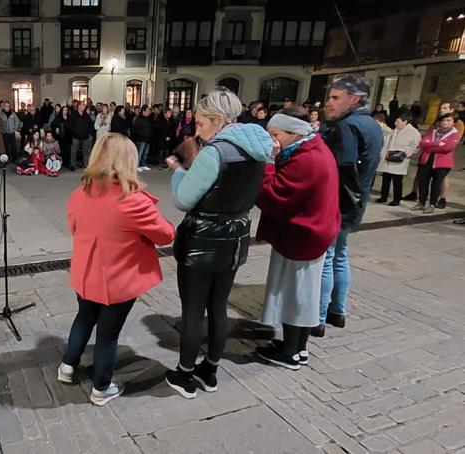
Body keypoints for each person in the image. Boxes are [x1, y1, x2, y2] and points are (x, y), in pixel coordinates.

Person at [164, 88, 272, 398]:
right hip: (235, 237)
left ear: (219, 120)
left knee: (194, 310)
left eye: (200, 123)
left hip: (203, 239)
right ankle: (209, 371)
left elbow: (183, 199)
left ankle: (184, 375)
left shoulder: (216, 152)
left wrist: (178, 171)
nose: (196, 130)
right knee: (218, 307)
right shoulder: (257, 148)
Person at [57, 133, 175, 406]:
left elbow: (74, 228)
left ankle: (67, 367)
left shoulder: (79, 193)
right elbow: (166, 235)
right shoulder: (132, 200)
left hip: (85, 275)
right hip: (117, 281)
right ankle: (101, 388)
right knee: (108, 336)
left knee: (83, 318)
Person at [255, 113, 340, 370]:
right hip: (311, 232)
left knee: (296, 295)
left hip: (304, 235)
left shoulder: (307, 160)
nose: (273, 140)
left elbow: (272, 194)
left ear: (294, 134)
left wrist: (268, 161)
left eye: (276, 135)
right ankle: (298, 348)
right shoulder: (313, 149)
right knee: (303, 293)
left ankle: (291, 352)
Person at [313, 75, 383, 337]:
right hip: (356, 202)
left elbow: (341, 170)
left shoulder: (347, 126)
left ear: (354, 99)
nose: (327, 103)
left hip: (339, 204)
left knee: (327, 259)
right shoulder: (371, 124)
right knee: (340, 256)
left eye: (335, 98)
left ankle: (318, 318)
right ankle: (337, 311)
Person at [402, 102, 464, 207]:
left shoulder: (458, 124)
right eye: (441, 108)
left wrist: (433, 145)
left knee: (440, 179)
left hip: (442, 158)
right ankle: (417, 195)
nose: (441, 110)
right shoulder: (436, 123)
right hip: (428, 155)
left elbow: (450, 143)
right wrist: (435, 144)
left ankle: (441, 198)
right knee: (421, 177)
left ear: (451, 110)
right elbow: (425, 140)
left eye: (444, 108)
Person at [412, 113, 460, 214]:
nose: (445, 123)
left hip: (442, 163)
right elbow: (422, 143)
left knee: (436, 183)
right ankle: (421, 202)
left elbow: (447, 147)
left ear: (453, 123)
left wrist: (431, 145)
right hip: (426, 160)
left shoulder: (455, 134)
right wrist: (437, 143)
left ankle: (432, 204)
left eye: (448, 120)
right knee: (423, 181)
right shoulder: (433, 132)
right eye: (443, 120)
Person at [375, 113, 421, 206]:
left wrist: (405, 153)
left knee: (397, 181)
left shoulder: (413, 132)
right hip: (389, 157)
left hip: (400, 159)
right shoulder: (393, 131)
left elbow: (416, 146)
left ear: (405, 122)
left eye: (398, 121)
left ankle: (396, 199)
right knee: (386, 179)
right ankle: (383, 196)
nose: (396, 123)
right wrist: (383, 154)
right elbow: (386, 142)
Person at [67, 102, 94, 171]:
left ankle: (86, 165)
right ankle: (72, 165)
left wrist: (88, 132)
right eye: (82, 105)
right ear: (79, 106)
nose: (84, 106)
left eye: (84, 105)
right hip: (76, 136)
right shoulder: (73, 115)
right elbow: (70, 125)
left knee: (86, 152)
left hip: (85, 136)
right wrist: (75, 132)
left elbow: (91, 124)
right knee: (74, 151)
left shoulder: (86, 115)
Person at [132, 105, 152, 172]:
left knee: (145, 154)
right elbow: (136, 129)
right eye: (147, 110)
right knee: (139, 154)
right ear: (144, 111)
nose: (148, 112)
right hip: (140, 139)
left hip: (147, 139)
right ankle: (137, 166)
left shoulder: (148, 118)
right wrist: (142, 135)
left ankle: (143, 165)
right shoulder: (139, 118)